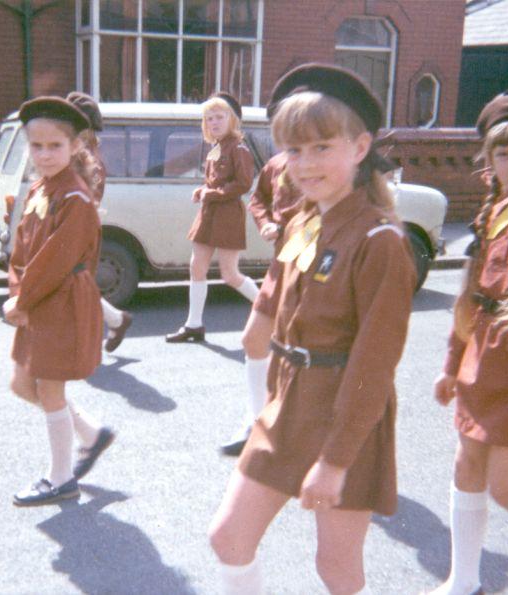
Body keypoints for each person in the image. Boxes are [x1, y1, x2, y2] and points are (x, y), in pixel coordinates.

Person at [208, 64, 417, 594]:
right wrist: (259, 323)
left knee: (336, 569)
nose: (305, 163)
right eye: (293, 151)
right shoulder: (305, 219)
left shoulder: (380, 242)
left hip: (345, 414)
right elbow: (279, 283)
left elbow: (374, 362)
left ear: (361, 146)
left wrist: (335, 459)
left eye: (323, 146)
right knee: (228, 537)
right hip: (288, 406)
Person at [427, 83, 508, 595]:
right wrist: (452, 363)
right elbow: (471, 297)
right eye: (504, 152)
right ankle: (464, 580)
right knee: (466, 463)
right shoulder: (496, 211)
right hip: (483, 362)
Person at [3, 96, 115, 506]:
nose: (46, 155)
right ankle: (90, 433)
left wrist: (24, 300)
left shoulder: (75, 198)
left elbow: (54, 260)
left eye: (55, 146)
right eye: (37, 146)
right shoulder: (40, 188)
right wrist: (17, 292)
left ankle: (61, 478)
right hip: (37, 299)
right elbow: (22, 248)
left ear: (74, 147)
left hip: (61, 301)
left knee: (49, 389)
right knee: (21, 383)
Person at [220, 152, 302, 455]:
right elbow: (259, 198)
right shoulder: (278, 162)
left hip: (310, 260)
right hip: (284, 261)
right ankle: (258, 423)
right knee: (254, 339)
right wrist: (266, 222)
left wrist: (287, 231)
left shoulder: (324, 158)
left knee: (305, 352)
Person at [165, 93, 259, 343]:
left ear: (232, 120)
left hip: (227, 215)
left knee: (229, 274)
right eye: (209, 118)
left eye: (220, 117)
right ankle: (193, 325)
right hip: (209, 213)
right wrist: (202, 189)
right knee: (197, 267)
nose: (214, 122)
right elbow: (216, 181)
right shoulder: (216, 148)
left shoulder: (238, 148)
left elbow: (243, 184)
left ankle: (270, 310)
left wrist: (212, 192)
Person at [66, 91, 133, 353]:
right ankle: (116, 321)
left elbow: (86, 200)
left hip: (80, 228)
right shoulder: (80, 152)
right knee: (76, 282)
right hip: (76, 226)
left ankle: (89, 337)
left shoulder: (87, 160)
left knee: (76, 282)